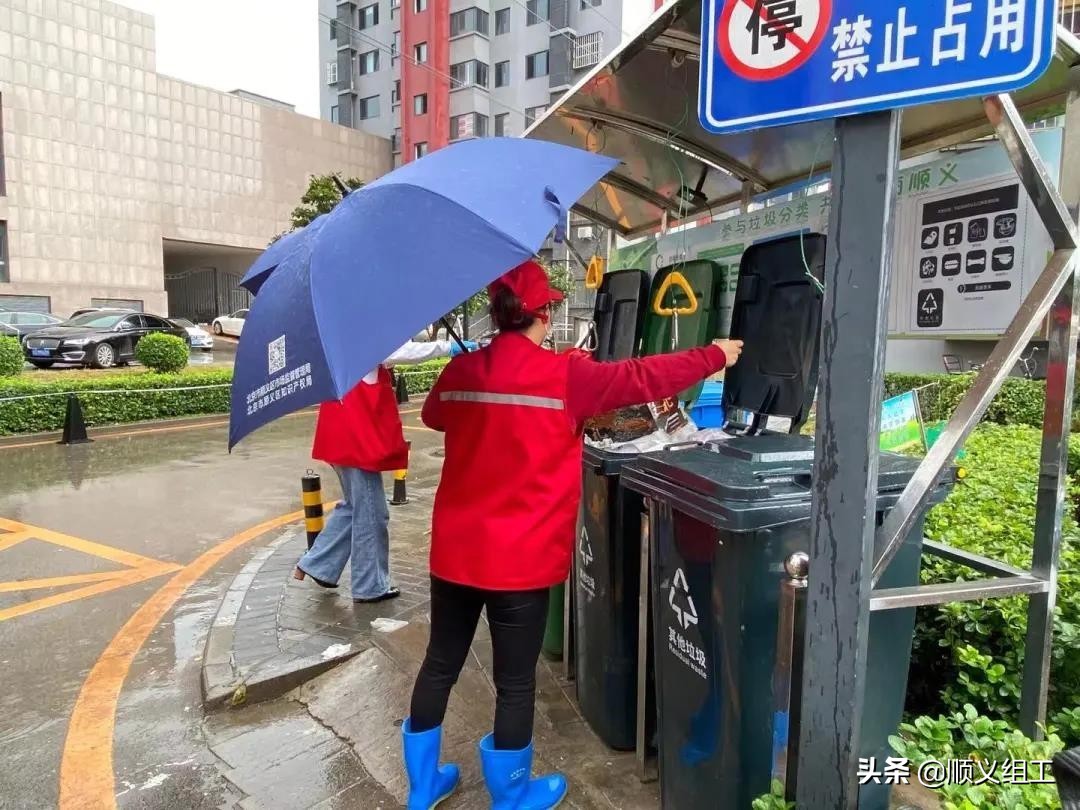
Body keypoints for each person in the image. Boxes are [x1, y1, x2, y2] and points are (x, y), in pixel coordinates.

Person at [400, 260, 743, 809]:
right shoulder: (566, 376)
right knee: (514, 681)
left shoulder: (461, 373)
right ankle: (511, 797)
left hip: (457, 554)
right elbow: (643, 376)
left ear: (495, 314)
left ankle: (421, 788)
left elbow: (439, 417)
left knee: (441, 661)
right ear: (545, 312)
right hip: (520, 560)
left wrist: (477, 374)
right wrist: (715, 355)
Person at [294, 339, 474, 602]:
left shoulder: (343, 345)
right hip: (356, 444)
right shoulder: (365, 340)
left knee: (355, 507)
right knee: (372, 514)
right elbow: (402, 351)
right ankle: (370, 585)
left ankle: (317, 565)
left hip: (340, 439)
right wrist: (449, 347)